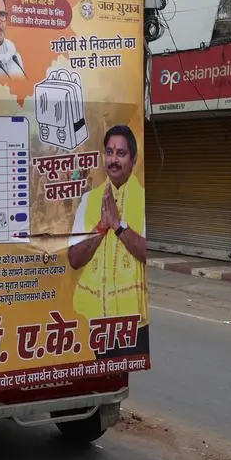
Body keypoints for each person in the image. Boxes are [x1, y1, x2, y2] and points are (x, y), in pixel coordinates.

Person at [67, 124, 148, 324]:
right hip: (91, 319)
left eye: (121, 154)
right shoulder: (89, 200)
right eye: (109, 152)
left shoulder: (144, 200)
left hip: (133, 322)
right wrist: (101, 228)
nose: (113, 160)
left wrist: (119, 226)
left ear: (134, 159)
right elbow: (74, 259)